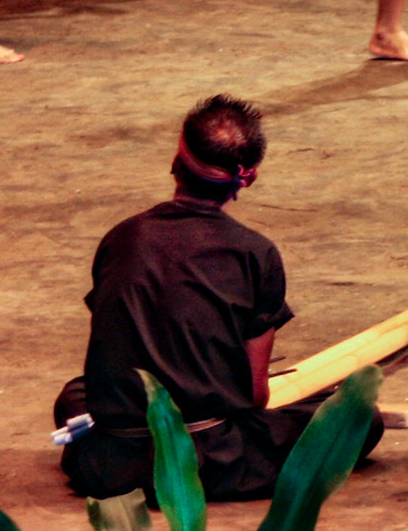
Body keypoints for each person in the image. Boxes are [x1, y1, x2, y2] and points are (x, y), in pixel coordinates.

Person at [53, 96, 382, 500]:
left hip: (112, 462)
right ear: (248, 179)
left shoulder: (121, 238)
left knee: (76, 395)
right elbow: (255, 396)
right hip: (208, 459)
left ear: (176, 161)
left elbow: (119, 347)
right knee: (359, 417)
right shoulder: (254, 253)